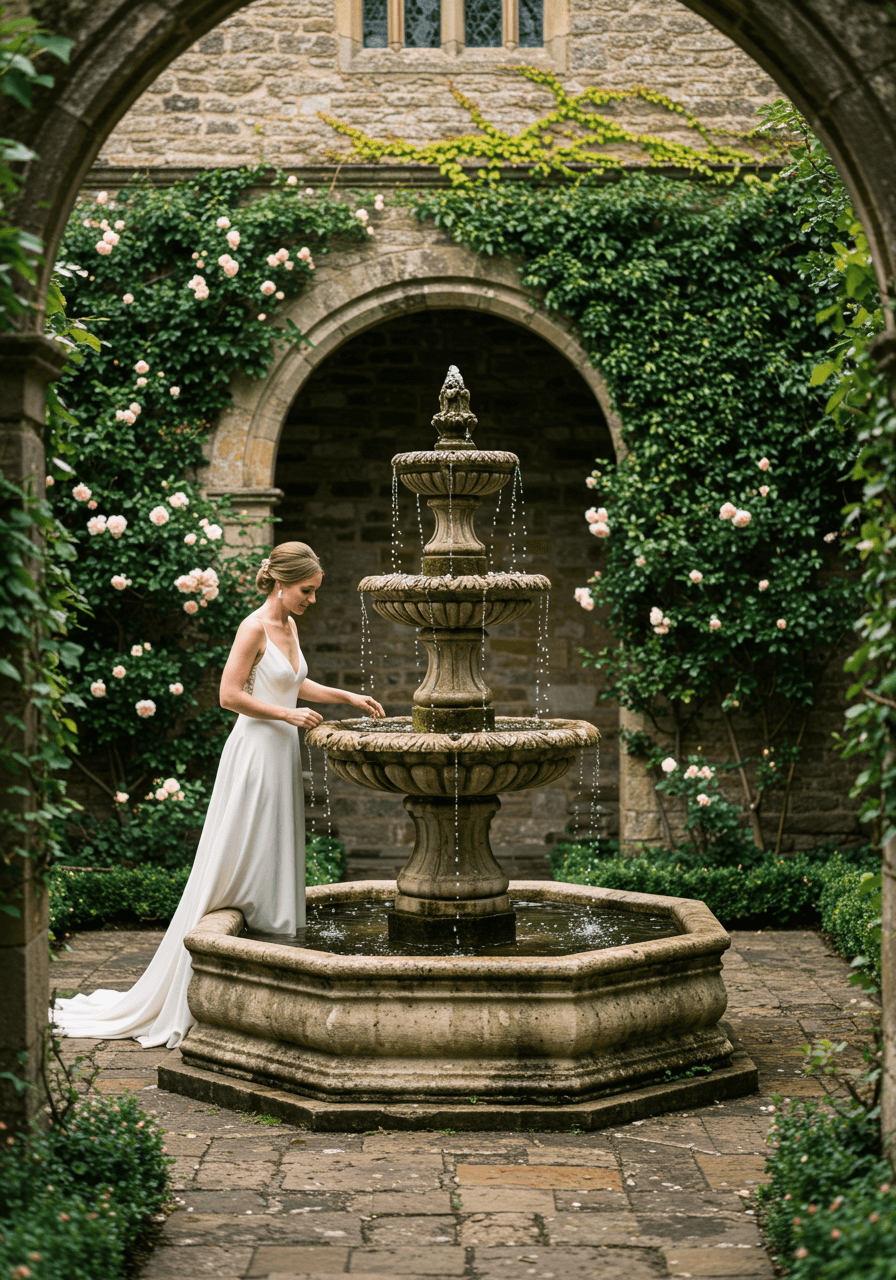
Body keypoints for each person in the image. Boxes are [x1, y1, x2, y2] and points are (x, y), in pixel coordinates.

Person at [52, 542, 385, 1048]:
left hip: (280, 752)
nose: (312, 601)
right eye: (306, 591)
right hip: (255, 752)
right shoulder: (253, 627)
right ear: (281, 582)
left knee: (273, 844)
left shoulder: (290, 627)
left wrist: (344, 696)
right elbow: (229, 696)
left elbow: (291, 682)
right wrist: (287, 715)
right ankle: (221, 950)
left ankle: (272, 934)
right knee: (238, 846)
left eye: (315, 592)